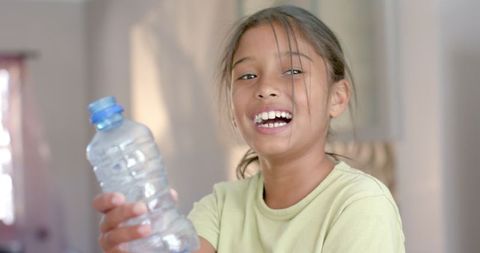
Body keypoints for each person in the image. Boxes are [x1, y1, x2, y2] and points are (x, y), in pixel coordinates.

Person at [92, 5, 405, 253]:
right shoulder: (221, 205)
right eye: (246, 76)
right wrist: (135, 243)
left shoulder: (359, 204)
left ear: (337, 98)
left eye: (293, 70)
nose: (266, 87)